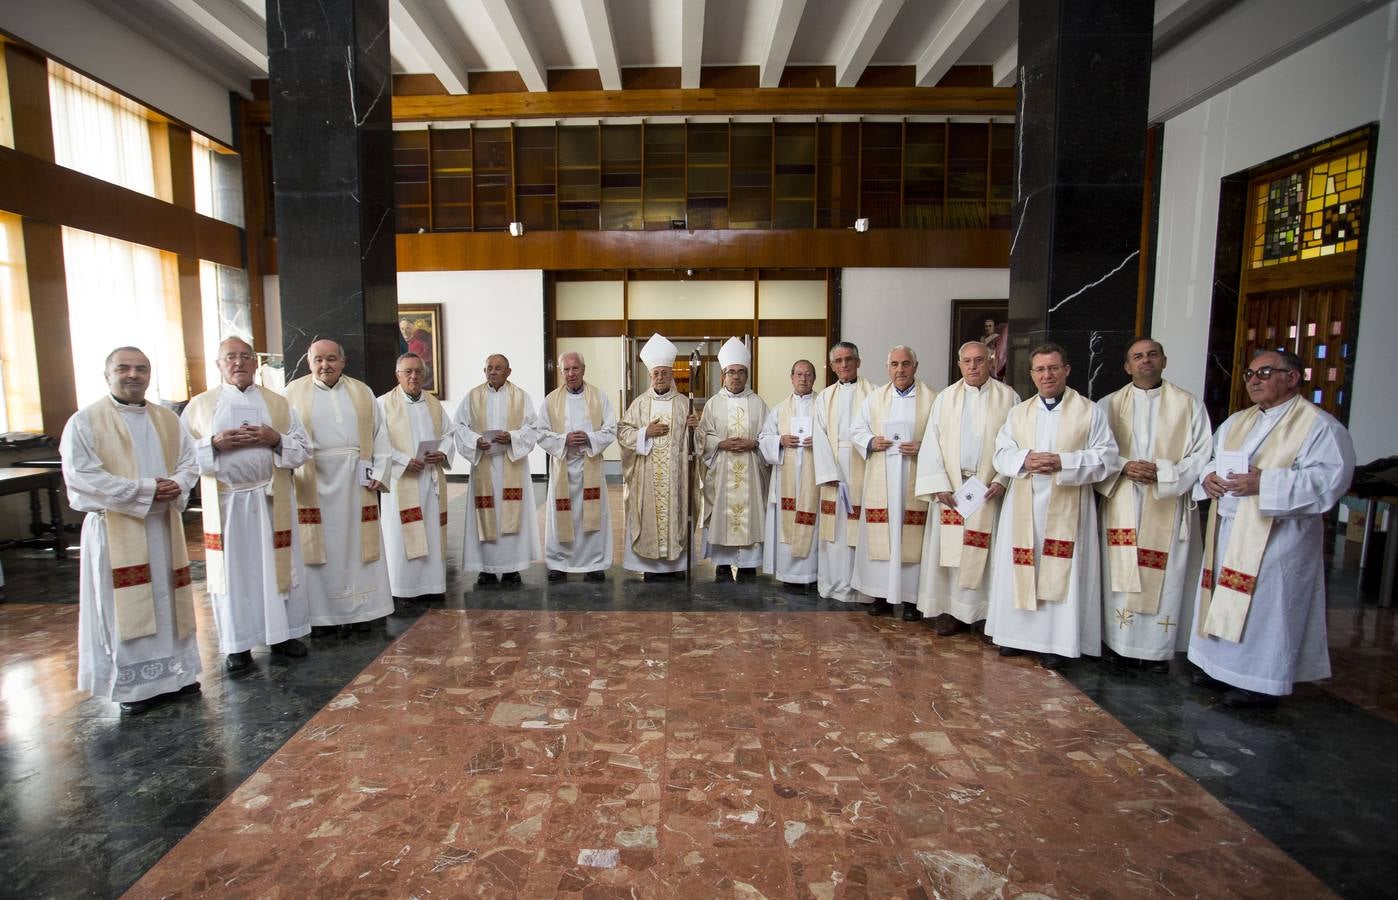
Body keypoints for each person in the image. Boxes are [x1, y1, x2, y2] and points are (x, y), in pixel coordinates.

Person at [1189, 349, 1355, 708]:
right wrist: (1209, 477)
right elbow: (1212, 459)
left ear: (1292, 377)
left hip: (1277, 537)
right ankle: (1218, 667)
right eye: (1249, 374)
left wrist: (1265, 483)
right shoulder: (1238, 421)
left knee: (1265, 607)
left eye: (1264, 373)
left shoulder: (1320, 427)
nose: (1254, 380)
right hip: (1229, 526)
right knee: (1223, 595)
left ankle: (1260, 682)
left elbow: (1329, 481)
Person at [62, 346, 201, 714]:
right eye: (123, 368)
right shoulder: (85, 421)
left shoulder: (168, 420)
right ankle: (136, 687)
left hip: (163, 525)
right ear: (107, 375)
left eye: (141, 369)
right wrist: (145, 489)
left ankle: (177, 675)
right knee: (122, 606)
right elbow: (82, 476)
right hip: (116, 528)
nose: (133, 375)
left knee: (167, 599)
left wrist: (177, 483)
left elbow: (190, 463)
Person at [182, 336, 312, 673]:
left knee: (278, 570)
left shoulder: (278, 404)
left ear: (256, 363)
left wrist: (276, 439)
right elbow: (181, 458)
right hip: (226, 504)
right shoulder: (199, 406)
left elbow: (302, 450)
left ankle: (282, 635)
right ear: (219, 364)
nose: (238, 362)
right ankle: (238, 645)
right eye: (230, 357)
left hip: (271, 500)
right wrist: (213, 444)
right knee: (234, 576)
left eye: (245, 356)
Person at [985, 343, 1118, 669]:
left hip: (1068, 505)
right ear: (1032, 374)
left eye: (1053, 368)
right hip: (1024, 503)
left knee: (1061, 573)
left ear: (1066, 370)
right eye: (1040, 369)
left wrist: (1063, 462)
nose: (1047, 375)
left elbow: (1107, 458)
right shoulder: (1019, 413)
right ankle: (1015, 636)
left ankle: (1057, 642)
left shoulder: (1089, 412)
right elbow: (1000, 454)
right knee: (1020, 568)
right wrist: (1025, 459)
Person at [1096, 339, 1212, 672]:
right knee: (1119, 571)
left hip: (1166, 500)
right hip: (1123, 497)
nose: (1145, 360)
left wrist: (1164, 472)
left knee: (1165, 576)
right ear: (1127, 366)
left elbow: (1202, 454)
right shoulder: (1108, 405)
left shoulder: (1188, 404)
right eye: (1137, 356)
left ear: (1164, 361)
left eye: (1152, 355)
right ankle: (1116, 643)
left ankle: (1157, 651)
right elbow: (1097, 450)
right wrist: (1124, 466)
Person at [285, 339, 394, 636]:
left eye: (331, 358)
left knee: (359, 545)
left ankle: (364, 611)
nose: (325, 365)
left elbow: (381, 435)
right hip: (312, 480)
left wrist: (380, 471)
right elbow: (285, 437)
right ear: (308, 362)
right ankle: (321, 617)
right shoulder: (292, 393)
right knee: (318, 548)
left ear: (343, 361)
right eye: (318, 359)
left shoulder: (362, 391)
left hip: (356, 479)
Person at [914, 340, 1019, 634]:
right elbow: (932, 445)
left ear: (991, 362)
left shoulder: (1009, 398)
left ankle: (985, 614)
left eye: (979, 360)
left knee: (985, 555)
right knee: (950, 555)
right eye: (967, 361)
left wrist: (1001, 480)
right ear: (959, 365)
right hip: (952, 488)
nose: (973, 366)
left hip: (987, 489)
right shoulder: (945, 398)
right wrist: (938, 485)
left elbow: (1017, 442)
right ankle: (950, 611)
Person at [850, 346, 937, 618]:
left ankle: (912, 600)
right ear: (887, 368)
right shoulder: (875, 398)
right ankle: (880, 595)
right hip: (882, 477)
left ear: (915, 366)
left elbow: (943, 436)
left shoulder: (933, 399)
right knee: (881, 536)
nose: (900, 370)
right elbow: (856, 429)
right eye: (895, 364)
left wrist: (923, 446)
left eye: (906, 364)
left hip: (915, 477)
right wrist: (871, 441)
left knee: (912, 538)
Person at [616, 333, 698, 581]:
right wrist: (645, 433)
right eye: (656, 374)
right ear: (650, 376)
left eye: (664, 373)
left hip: (676, 479)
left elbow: (697, 444)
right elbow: (623, 432)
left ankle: (676, 567)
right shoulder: (640, 404)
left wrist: (695, 429)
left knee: (677, 515)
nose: (660, 377)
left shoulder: (684, 404)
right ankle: (650, 568)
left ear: (672, 375)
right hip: (647, 477)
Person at [456, 353, 541, 586]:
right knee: (486, 514)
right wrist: (475, 440)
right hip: (484, 464)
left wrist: (512, 437)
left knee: (510, 515)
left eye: (498, 368)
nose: (492, 372)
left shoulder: (521, 397)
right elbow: (459, 426)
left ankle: (512, 568)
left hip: (511, 464)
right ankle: (486, 568)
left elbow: (533, 427)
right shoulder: (473, 396)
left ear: (508, 372)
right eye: (489, 368)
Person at [378, 353, 454, 604]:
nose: (413, 377)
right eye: (407, 372)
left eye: (418, 372)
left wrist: (443, 452)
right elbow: (377, 443)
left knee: (431, 531)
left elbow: (449, 433)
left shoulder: (432, 403)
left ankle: (433, 584)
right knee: (401, 536)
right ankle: (404, 589)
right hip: (402, 481)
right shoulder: (383, 404)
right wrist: (403, 461)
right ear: (397, 375)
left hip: (430, 479)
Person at [537, 351, 616, 582]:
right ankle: (559, 563)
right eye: (566, 369)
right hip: (563, 466)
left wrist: (589, 438)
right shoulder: (550, 400)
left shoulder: (599, 397)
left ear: (583, 369)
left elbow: (611, 428)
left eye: (575, 368)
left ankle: (594, 563)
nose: (571, 373)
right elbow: (540, 433)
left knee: (592, 515)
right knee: (562, 515)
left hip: (590, 465)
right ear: (561, 371)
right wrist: (564, 440)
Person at [696, 337, 769, 582]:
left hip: (751, 467)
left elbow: (768, 435)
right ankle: (723, 563)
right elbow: (703, 436)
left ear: (746, 375)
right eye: (731, 372)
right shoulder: (713, 404)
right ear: (723, 376)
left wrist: (755, 443)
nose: (736, 377)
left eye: (740, 372)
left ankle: (748, 564)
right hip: (722, 468)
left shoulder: (758, 403)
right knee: (721, 514)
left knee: (751, 513)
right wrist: (720, 443)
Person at [813, 341, 874, 603]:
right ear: (832, 366)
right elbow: (819, 436)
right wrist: (829, 471)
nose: (844, 365)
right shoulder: (825, 397)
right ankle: (834, 584)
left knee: (862, 529)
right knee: (836, 530)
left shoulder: (875, 393)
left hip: (865, 466)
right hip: (834, 469)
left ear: (858, 362)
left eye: (849, 359)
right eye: (838, 361)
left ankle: (864, 587)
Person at [759, 359, 822, 589]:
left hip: (814, 477)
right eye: (799, 374)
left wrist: (820, 441)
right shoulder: (779, 409)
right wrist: (780, 440)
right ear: (792, 378)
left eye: (808, 374)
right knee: (787, 522)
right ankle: (788, 574)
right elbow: (763, 439)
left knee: (815, 522)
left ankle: (812, 574)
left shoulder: (823, 405)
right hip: (786, 476)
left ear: (814, 378)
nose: (803, 378)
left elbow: (834, 436)